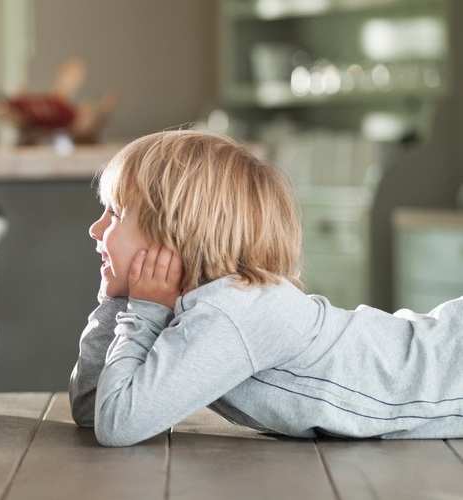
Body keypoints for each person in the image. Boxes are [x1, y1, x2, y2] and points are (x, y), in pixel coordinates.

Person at [69, 128, 463, 447]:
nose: (95, 229)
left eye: (115, 213)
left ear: (175, 232)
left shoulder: (232, 310)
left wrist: (141, 310)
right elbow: (91, 409)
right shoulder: (194, 305)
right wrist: (120, 303)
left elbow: (118, 423)